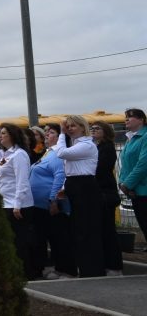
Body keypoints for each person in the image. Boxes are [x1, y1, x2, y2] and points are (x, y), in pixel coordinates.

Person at [56, 114, 104, 277]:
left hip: (84, 186)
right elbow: (69, 168)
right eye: (67, 126)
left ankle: (92, 269)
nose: (69, 129)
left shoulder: (86, 145)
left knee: (87, 229)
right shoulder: (76, 144)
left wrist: (61, 134)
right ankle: (84, 267)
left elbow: (61, 153)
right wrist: (64, 187)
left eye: (73, 126)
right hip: (75, 184)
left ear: (83, 128)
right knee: (78, 228)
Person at [28, 123, 75, 279]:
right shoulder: (48, 153)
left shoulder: (57, 154)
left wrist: (53, 199)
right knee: (52, 238)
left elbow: (60, 176)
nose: (47, 134)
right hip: (40, 205)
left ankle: (67, 270)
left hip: (52, 204)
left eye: (51, 132)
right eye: (46, 131)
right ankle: (59, 267)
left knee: (60, 237)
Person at [0, 123, 35, 280]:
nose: (0, 136)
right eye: (0, 133)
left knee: (21, 240)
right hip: (6, 202)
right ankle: (14, 271)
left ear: (12, 135)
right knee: (11, 240)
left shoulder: (19, 154)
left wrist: (18, 204)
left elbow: (22, 181)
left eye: (4, 133)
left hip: (18, 205)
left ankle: (26, 273)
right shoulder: (6, 155)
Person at [91, 121, 122, 275]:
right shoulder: (96, 147)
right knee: (102, 231)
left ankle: (114, 266)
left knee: (108, 231)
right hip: (98, 193)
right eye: (92, 129)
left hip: (105, 193)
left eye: (97, 128)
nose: (93, 131)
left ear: (106, 131)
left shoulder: (107, 147)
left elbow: (100, 169)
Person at [119, 108, 147, 244]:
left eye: (130, 117)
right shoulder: (130, 138)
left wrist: (127, 183)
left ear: (141, 119)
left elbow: (143, 164)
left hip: (144, 189)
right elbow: (125, 164)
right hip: (135, 190)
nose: (126, 119)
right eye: (125, 117)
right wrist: (122, 182)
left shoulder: (145, 136)